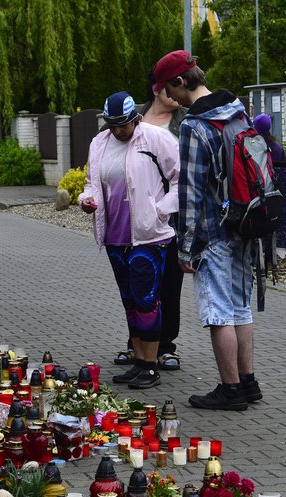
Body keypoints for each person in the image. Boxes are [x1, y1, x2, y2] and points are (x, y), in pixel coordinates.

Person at [152, 50, 262, 411]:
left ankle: (230, 390)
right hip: (247, 221)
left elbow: (192, 192)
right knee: (240, 306)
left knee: (218, 312)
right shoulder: (237, 109)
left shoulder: (195, 125)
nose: (171, 98)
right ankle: (248, 382)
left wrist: (185, 248)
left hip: (214, 231)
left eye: (171, 90)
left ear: (181, 82)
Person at [79, 91, 180, 389]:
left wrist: (161, 210)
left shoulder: (156, 139)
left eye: (123, 124)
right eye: (112, 125)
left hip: (149, 236)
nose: (118, 130)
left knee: (147, 299)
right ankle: (138, 361)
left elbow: (182, 179)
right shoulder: (99, 143)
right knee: (130, 301)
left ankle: (150, 365)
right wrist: (87, 199)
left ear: (135, 119)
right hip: (115, 235)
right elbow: (91, 183)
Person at [114, 72, 189, 371]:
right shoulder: (134, 116)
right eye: (173, 85)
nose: (179, 92)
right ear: (158, 87)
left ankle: (166, 345)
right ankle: (138, 343)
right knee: (136, 285)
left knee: (169, 282)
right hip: (130, 218)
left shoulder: (185, 122)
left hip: (170, 217)